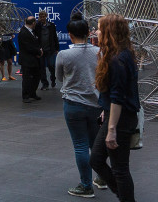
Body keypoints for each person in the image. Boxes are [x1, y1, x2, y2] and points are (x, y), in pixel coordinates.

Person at [89, 14, 140, 202]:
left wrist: (111, 130)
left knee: (120, 169)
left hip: (120, 119)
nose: (97, 31)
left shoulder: (117, 59)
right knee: (96, 159)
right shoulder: (120, 54)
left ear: (109, 32)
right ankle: (123, 195)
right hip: (116, 114)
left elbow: (119, 97)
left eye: (100, 28)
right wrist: (106, 110)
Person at [56, 13, 102, 198]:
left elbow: (60, 78)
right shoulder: (99, 52)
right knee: (96, 144)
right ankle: (102, 178)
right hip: (96, 104)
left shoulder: (64, 54)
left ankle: (85, 185)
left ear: (70, 34)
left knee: (80, 145)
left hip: (73, 103)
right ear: (88, 32)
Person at [18, 16, 42, 102]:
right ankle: (26, 96)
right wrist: (38, 51)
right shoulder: (23, 33)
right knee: (27, 78)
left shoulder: (31, 32)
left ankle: (32, 93)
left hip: (33, 58)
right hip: (27, 59)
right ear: (33, 23)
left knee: (36, 76)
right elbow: (28, 47)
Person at [37, 10, 60, 90]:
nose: (42, 18)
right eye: (41, 17)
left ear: (46, 16)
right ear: (39, 17)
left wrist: (57, 48)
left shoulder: (51, 25)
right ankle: (44, 83)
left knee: (51, 66)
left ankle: (53, 80)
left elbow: (55, 37)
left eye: (44, 16)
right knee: (42, 67)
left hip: (50, 49)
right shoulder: (37, 26)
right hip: (41, 51)